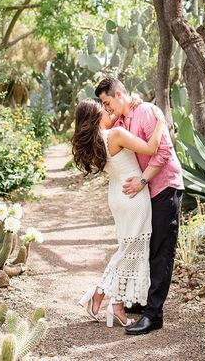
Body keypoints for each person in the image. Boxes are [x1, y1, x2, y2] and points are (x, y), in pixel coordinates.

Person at [95, 77, 184, 335]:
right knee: (146, 246)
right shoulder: (122, 121)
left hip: (165, 186)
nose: (106, 107)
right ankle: (142, 302)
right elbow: (107, 128)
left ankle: (154, 315)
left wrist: (144, 180)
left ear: (119, 94)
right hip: (147, 191)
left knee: (161, 251)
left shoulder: (146, 112)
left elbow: (163, 152)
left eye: (107, 101)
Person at [72, 97, 167, 328]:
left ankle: (115, 304)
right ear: (97, 118)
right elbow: (152, 148)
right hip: (134, 196)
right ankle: (100, 293)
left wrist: (127, 105)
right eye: (104, 110)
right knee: (128, 253)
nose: (109, 111)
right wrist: (161, 121)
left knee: (126, 250)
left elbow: (111, 120)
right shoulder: (115, 135)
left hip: (117, 196)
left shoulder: (95, 142)